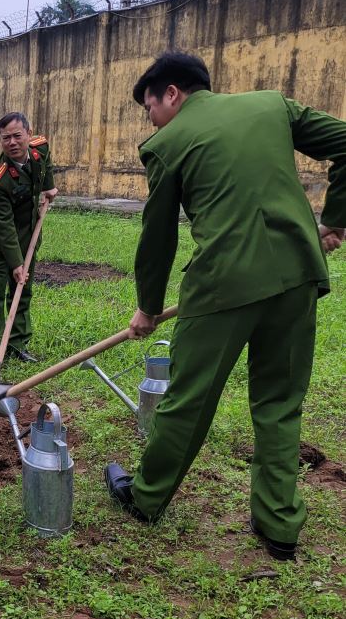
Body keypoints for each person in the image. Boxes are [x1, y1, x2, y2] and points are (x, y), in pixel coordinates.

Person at [104, 51, 346, 561]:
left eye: (149, 106)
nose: (149, 119)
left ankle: (145, 498)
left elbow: (157, 238)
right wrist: (335, 220)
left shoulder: (167, 143)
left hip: (223, 284)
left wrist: (147, 307)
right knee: (280, 402)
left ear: (172, 93)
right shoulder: (272, 106)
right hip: (299, 274)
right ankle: (279, 526)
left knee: (189, 398)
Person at [0, 111, 57, 371]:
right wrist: (15, 263)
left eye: (16, 136)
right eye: (5, 138)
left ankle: (18, 344)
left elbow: (46, 166)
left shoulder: (40, 148)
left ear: (28, 133)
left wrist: (49, 185)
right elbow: (3, 226)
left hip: (29, 232)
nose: (12, 142)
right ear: (0, 141)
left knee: (22, 291)